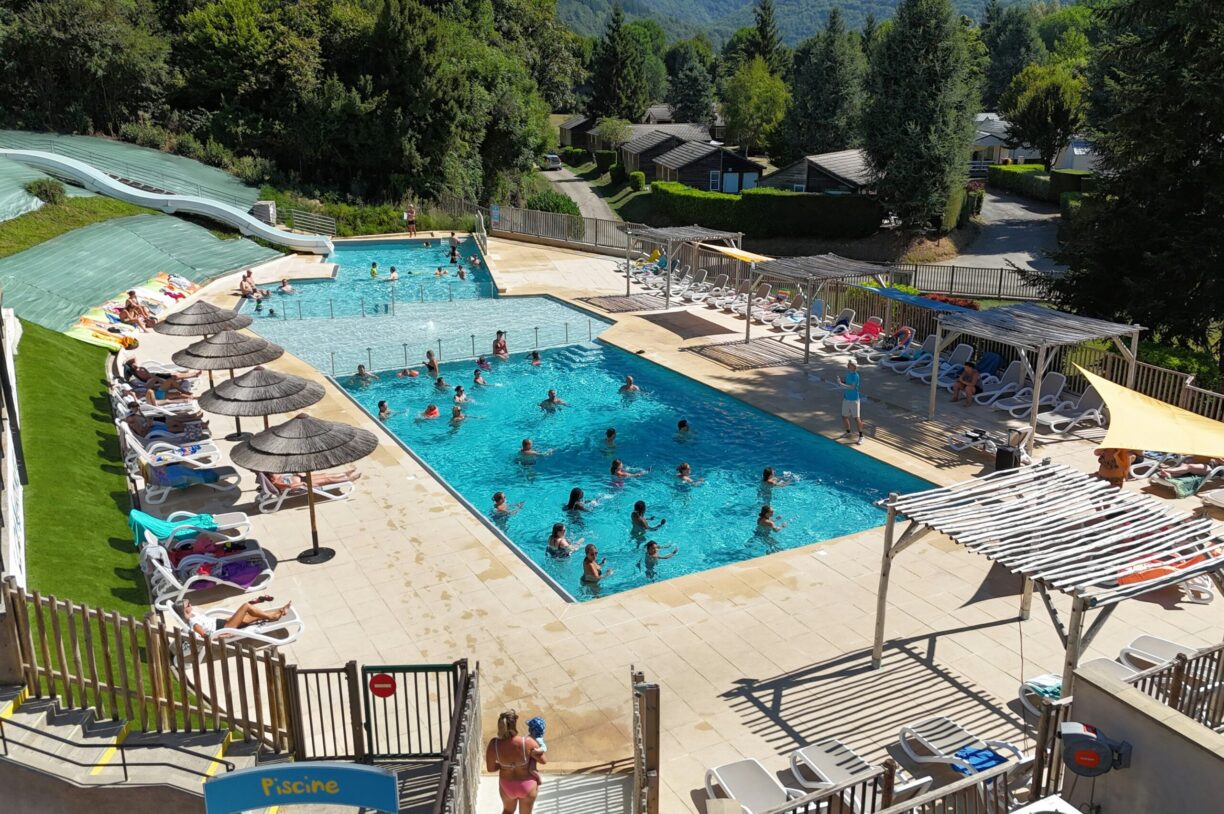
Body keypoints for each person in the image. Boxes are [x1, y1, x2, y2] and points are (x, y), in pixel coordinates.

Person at [486, 709, 544, 814]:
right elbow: (543, 760)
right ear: (514, 724)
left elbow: (490, 769)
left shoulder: (494, 744)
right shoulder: (527, 742)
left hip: (507, 785)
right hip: (527, 784)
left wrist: (503, 765)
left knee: (507, 811)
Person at [181, 598, 291, 640]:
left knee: (254, 616)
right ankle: (273, 616)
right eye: (188, 605)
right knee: (246, 606)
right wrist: (224, 635)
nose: (190, 604)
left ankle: (278, 613)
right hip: (223, 628)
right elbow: (205, 635)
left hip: (222, 623)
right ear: (183, 610)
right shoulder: (193, 622)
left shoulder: (192, 614)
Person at [837, 360, 865, 445]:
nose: (850, 366)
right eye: (849, 364)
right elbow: (848, 383)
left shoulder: (856, 376)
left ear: (855, 367)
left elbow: (852, 387)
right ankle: (848, 432)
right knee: (844, 416)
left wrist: (841, 383)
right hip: (846, 398)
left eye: (851, 365)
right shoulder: (849, 374)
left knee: (856, 418)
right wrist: (842, 381)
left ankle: (861, 436)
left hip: (854, 400)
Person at [268, 470, 361, 491]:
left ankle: (343, 474)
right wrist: (302, 483)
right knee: (327, 479)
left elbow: (286, 475)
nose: (274, 474)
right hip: (303, 485)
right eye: (272, 474)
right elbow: (289, 486)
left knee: (324, 475)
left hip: (302, 478)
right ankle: (348, 479)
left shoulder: (275, 477)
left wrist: (295, 474)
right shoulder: (276, 482)